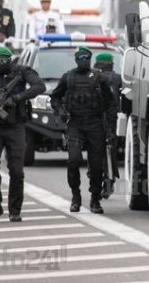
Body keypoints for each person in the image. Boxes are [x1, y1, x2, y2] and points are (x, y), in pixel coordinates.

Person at [0, 47, 45, 222]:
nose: (0, 65)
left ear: (9, 61)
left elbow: (39, 86)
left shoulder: (21, 72)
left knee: (16, 170)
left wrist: (18, 97)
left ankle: (15, 210)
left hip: (16, 127)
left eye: (3, 62)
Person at [50, 47, 117, 214]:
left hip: (95, 124)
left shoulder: (99, 78)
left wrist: (110, 128)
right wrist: (60, 111)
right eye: (80, 57)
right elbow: (55, 97)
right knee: (73, 160)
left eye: (86, 57)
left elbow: (110, 103)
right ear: (75, 59)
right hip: (75, 124)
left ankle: (95, 199)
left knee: (96, 166)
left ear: (90, 59)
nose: (83, 60)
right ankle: (75, 197)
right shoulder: (69, 77)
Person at [94, 52, 121, 199]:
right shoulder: (116, 78)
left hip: (94, 119)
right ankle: (109, 182)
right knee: (110, 151)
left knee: (95, 152)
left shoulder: (92, 76)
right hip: (111, 119)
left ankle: (98, 184)